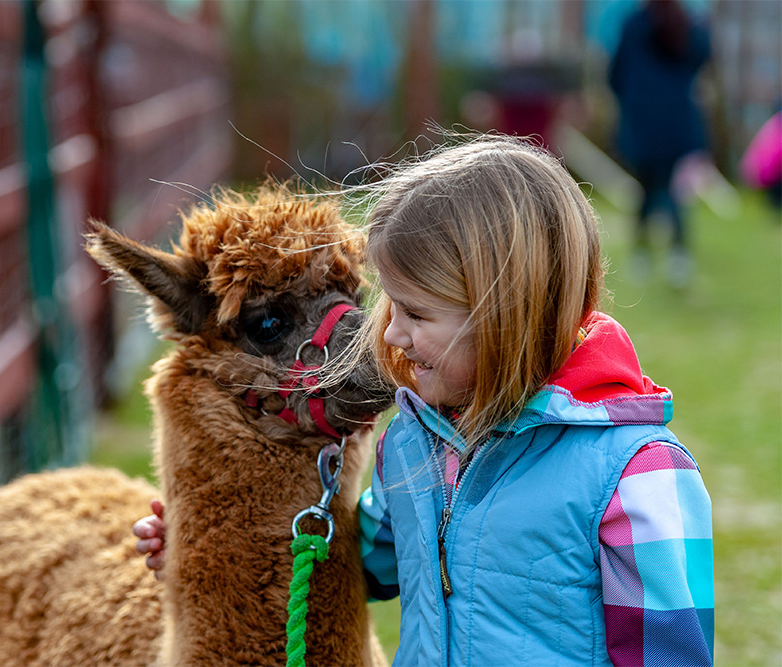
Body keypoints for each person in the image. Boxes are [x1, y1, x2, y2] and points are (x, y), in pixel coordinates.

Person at [133, 136, 715, 666]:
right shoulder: (414, 443)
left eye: (415, 314)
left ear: (504, 311)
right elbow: (360, 568)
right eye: (388, 306)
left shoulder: (637, 478)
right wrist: (211, 552)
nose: (386, 336)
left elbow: (672, 655)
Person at [607, 0, 711, 287]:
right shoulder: (687, 24)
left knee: (645, 188)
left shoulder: (634, 24)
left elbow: (615, 73)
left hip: (642, 123)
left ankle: (641, 253)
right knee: (675, 191)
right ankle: (679, 255)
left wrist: (630, 102)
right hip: (678, 122)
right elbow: (703, 57)